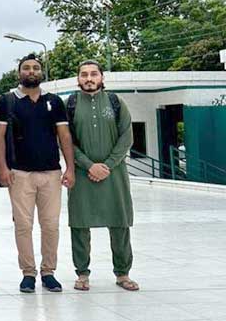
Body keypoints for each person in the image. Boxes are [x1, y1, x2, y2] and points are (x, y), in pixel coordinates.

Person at [0, 53, 75, 293]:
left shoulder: (54, 101)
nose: (31, 71)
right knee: (23, 225)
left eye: (36, 68)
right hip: (19, 173)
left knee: (51, 225)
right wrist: (2, 168)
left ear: (41, 73)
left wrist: (70, 167)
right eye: (26, 68)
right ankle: (28, 273)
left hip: (51, 173)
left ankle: (48, 271)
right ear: (19, 73)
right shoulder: (7, 101)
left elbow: (64, 136)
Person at [67, 60, 138, 292]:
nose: (89, 78)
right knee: (79, 224)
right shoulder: (71, 103)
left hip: (114, 175)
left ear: (102, 77)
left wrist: (106, 166)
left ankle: (123, 273)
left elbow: (126, 137)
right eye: (84, 74)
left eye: (93, 74)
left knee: (120, 222)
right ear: (78, 79)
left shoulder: (116, 102)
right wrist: (89, 166)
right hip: (81, 174)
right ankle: (82, 274)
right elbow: (66, 140)